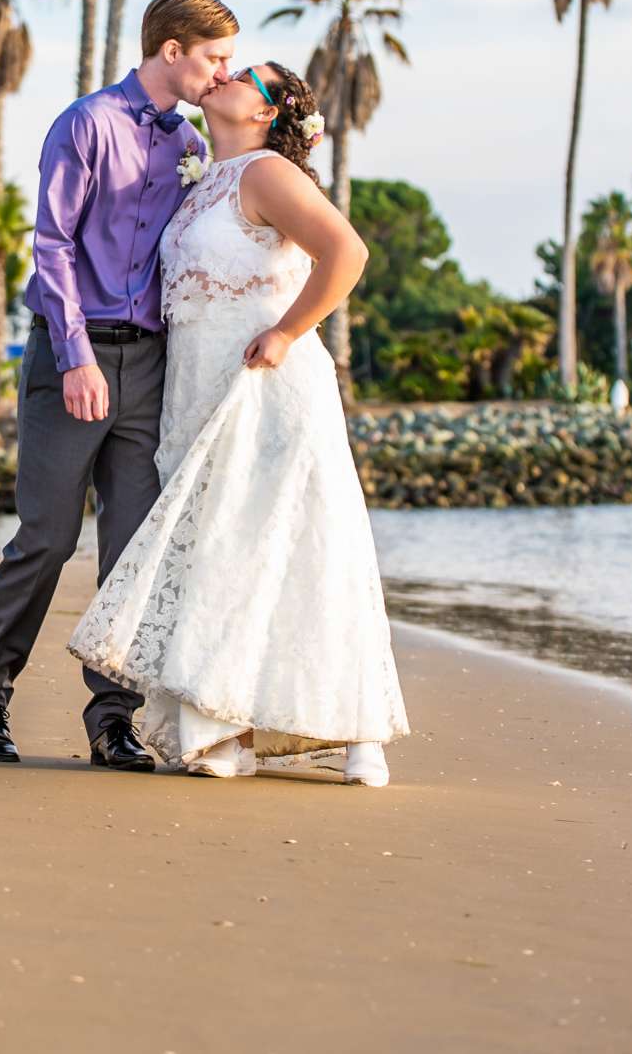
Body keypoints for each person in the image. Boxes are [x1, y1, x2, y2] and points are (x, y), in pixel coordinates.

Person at [69, 62, 409, 786]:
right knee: (219, 548)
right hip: (196, 384)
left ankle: (352, 732)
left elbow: (347, 253)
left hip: (267, 382)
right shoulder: (205, 178)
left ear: (267, 112)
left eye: (247, 74)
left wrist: (288, 333)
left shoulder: (267, 172)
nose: (225, 72)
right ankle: (226, 730)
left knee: (292, 546)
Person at [0, 0, 239, 770]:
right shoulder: (86, 124)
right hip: (70, 353)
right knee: (46, 539)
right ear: (171, 50)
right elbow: (51, 246)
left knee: (129, 551)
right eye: (215, 57)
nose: (224, 73)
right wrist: (76, 356)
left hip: (150, 363)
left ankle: (112, 718)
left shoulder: (189, 141)